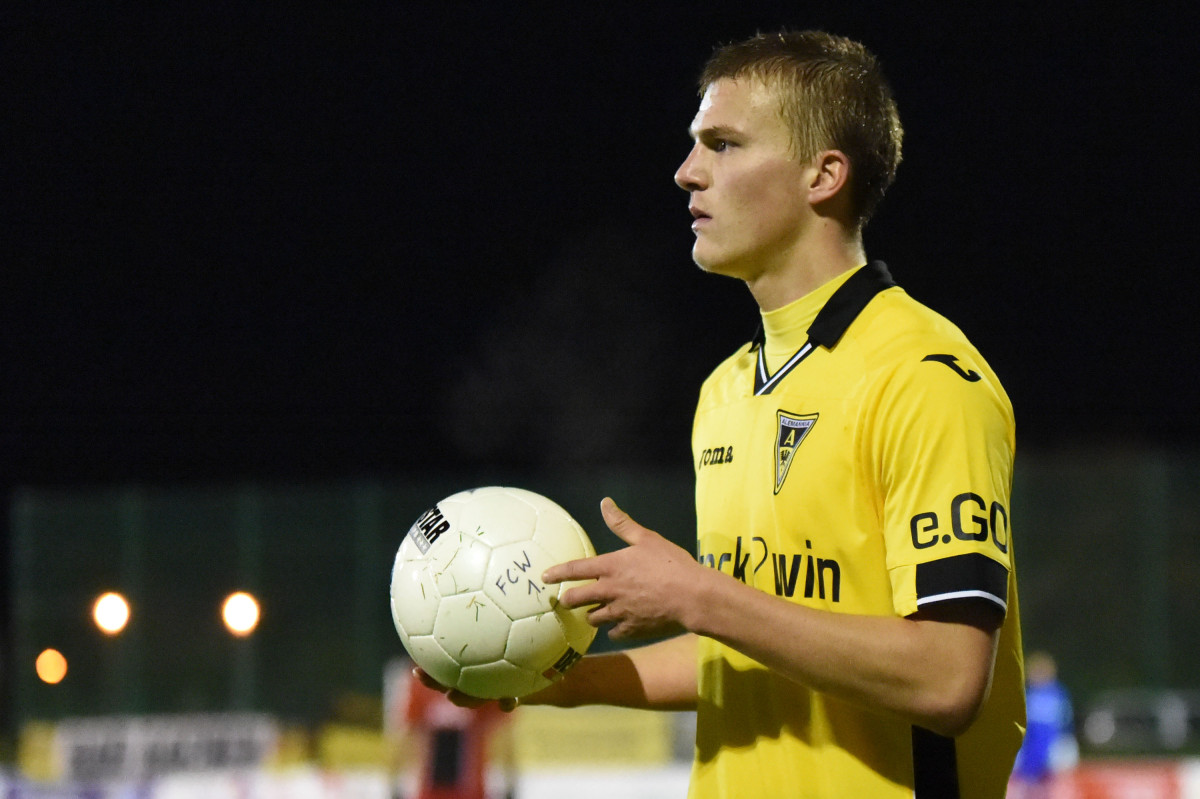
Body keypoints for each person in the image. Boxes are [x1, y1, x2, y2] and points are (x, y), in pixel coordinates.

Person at [419, 29, 1025, 798]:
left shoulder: (924, 376)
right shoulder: (728, 390)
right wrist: (552, 679)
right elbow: (752, 648)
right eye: (695, 144)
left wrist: (698, 595)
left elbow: (948, 675)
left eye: (724, 144)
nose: (687, 171)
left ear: (823, 175)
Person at [1010, 652, 1076, 797]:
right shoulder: (1027, 695)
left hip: (1051, 751)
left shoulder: (1058, 695)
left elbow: (1064, 727)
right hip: (1028, 753)